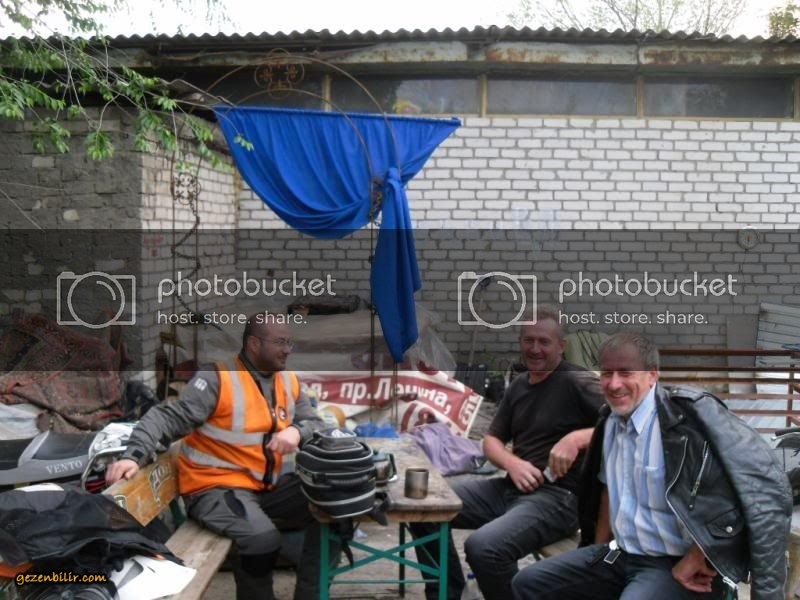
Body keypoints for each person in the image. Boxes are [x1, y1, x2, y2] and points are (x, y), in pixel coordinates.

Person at [512, 332, 793, 600]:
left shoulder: (690, 418)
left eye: (626, 373)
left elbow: (764, 488)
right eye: (607, 373)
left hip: (673, 565)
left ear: (652, 375)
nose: (614, 384)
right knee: (528, 583)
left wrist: (701, 554)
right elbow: (608, 493)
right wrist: (596, 552)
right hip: (621, 554)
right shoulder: (610, 421)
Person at [106, 315, 326, 600]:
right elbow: (166, 417)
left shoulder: (288, 381)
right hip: (215, 488)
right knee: (262, 539)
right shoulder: (218, 379)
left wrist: (297, 431)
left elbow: (316, 423)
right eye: (280, 342)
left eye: (289, 342)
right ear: (254, 344)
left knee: (333, 505)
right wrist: (133, 456)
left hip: (267, 485)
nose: (287, 350)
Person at [410, 306, 605, 600]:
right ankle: (448, 594)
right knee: (423, 507)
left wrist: (577, 438)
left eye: (544, 341)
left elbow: (628, 421)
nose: (535, 349)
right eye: (529, 340)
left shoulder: (577, 381)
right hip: (511, 487)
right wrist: (512, 463)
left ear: (561, 346)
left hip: (558, 497)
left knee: (484, 547)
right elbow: (491, 440)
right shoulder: (520, 385)